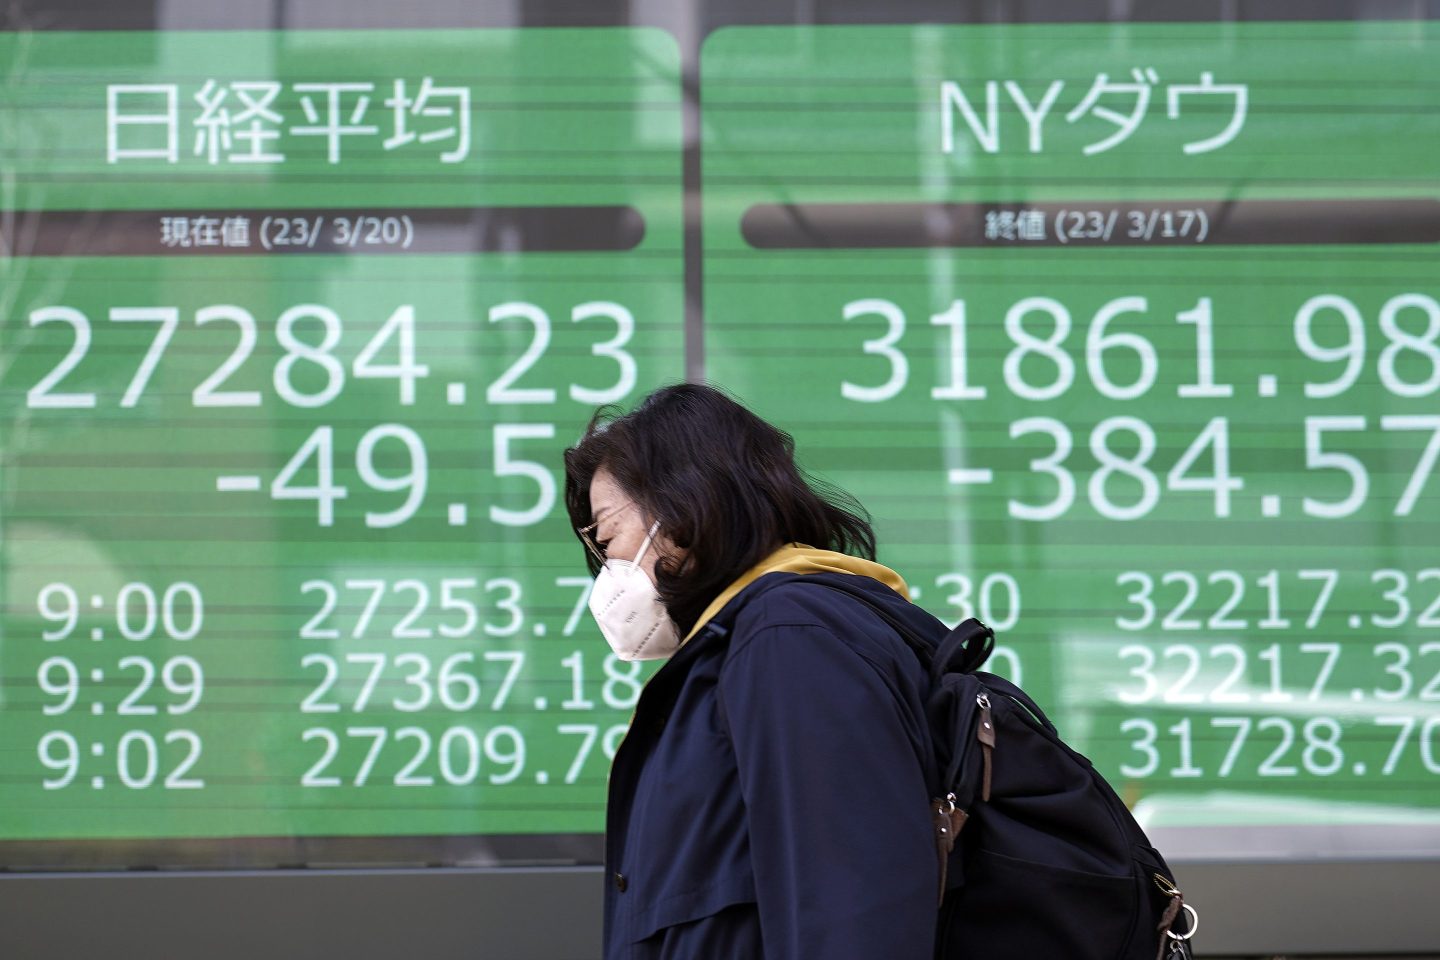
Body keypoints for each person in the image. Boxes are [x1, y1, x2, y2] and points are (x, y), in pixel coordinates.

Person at [563, 382, 944, 959]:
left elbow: (852, 910)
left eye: (608, 537)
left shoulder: (789, 638)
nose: (607, 571)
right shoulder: (764, 641)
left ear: (681, 505)